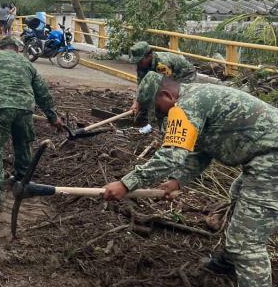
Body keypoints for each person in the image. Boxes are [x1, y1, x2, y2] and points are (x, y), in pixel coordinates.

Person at [103, 72, 278, 286]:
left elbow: (171, 155)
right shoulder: (196, 97)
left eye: (158, 109)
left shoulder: (185, 106)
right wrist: (178, 180)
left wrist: (126, 183)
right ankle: (231, 261)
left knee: (248, 245)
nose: (161, 116)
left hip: (271, 160)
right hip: (264, 156)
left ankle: (241, 255)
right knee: (237, 194)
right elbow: (205, 149)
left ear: (167, 95)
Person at [0, 36, 62, 212]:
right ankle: (21, 184)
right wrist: (53, 117)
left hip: (1, 108)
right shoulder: (28, 63)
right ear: (18, 49)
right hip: (26, 110)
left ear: (1, 47)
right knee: (23, 145)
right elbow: (43, 92)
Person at [128, 41, 197, 115]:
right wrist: (137, 102)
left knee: (179, 99)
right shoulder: (141, 65)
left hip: (185, 75)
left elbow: (166, 88)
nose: (138, 64)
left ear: (149, 56)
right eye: (137, 62)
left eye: (140, 61)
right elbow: (141, 84)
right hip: (172, 75)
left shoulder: (162, 64)